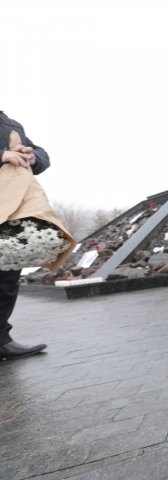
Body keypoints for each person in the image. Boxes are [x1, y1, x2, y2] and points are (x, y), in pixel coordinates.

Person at [0, 111, 50, 360]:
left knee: (7, 274)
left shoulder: (10, 123)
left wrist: (33, 157)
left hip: (11, 206)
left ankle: (1, 339)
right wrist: (2, 155)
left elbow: (41, 154)